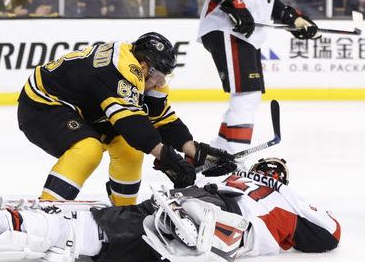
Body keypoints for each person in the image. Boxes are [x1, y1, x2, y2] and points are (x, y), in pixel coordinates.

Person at [0, 157, 341, 262]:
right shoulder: (265, 189)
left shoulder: (259, 188)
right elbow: (328, 236)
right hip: (209, 209)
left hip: (211, 209)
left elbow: (328, 237)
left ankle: (1, 223)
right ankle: (197, 228)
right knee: (101, 230)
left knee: (92, 230)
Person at [17, 32, 235, 207]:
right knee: (88, 149)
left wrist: (194, 150)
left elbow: (160, 117)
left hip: (84, 110)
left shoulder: (143, 74)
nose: (161, 83)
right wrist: (167, 156)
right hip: (43, 105)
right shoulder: (116, 70)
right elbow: (131, 123)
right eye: (159, 76)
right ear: (143, 68)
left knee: (129, 149)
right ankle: (49, 209)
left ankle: (124, 210)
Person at [196, 0, 321, 157]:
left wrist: (294, 18)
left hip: (246, 34)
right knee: (247, 95)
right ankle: (233, 156)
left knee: (249, 97)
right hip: (226, 26)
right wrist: (234, 4)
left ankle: (221, 152)